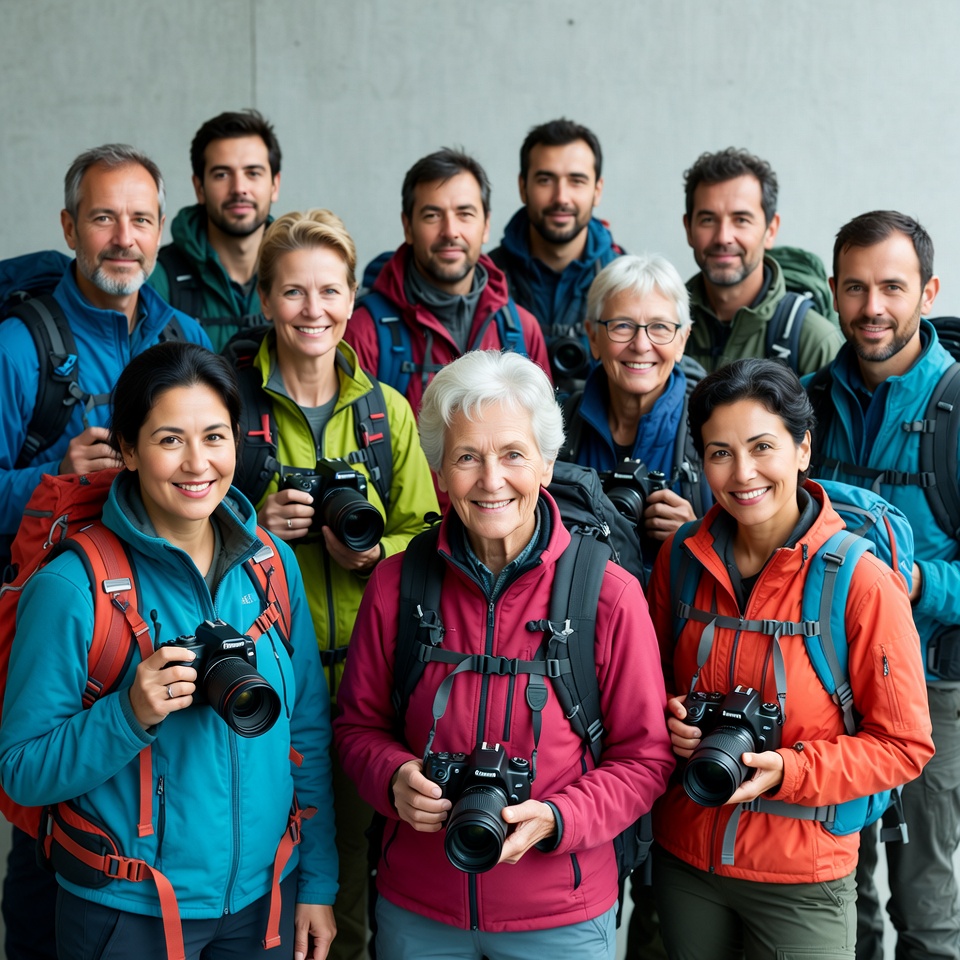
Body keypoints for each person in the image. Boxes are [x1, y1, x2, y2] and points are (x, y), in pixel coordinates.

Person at [0, 341, 337, 960]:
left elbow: (307, 735)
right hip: (126, 916)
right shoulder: (74, 586)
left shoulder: (271, 565)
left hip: (264, 903)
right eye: (169, 440)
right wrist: (128, 713)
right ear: (127, 449)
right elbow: (21, 771)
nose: (197, 464)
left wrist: (316, 881)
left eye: (214, 437)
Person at [334, 349, 674, 960]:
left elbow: (646, 759)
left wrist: (558, 818)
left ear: (546, 463)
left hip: (560, 913)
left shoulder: (609, 593)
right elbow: (357, 728)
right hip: (418, 905)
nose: (491, 480)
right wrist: (391, 778)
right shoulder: (395, 584)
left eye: (513, 454)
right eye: (467, 457)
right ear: (440, 471)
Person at [645, 357, 933, 960]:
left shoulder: (861, 581)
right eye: (719, 452)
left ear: (804, 448)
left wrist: (789, 771)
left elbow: (905, 745)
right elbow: (647, 692)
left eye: (762, 447)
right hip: (686, 861)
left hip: (803, 876)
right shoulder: (680, 559)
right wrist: (668, 717)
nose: (742, 473)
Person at [0, 143, 211, 960]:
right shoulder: (22, 346)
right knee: (49, 838)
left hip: (163, 625)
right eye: (103, 218)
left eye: (141, 219)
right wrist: (50, 477)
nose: (123, 237)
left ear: (162, 232)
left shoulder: (181, 333)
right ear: (68, 227)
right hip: (63, 634)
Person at [233, 208, 438, 960]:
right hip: (260, 685)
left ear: (352, 299)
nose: (311, 311)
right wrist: (256, 520)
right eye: (292, 292)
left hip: (370, 688)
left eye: (328, 291)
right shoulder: (230, 406)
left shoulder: (388, 413)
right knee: (263, 887)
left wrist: (370, 553)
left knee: (350, 890)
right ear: (265, 300)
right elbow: (184, 524)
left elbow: (427, 532)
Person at [804, 211, 960, 960]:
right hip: (824, 686)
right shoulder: (803, 402)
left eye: (892, 287)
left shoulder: (958, 409)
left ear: (927, 290)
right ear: (834, 290)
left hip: (931, 687)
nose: (873, 306)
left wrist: (915, 579)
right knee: (837, 887)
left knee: (928, 899)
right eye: (857, 287)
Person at [344, 148, 550, 418]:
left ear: (486, 225)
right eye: (432, 215)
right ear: (408, 226)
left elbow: (542, 449)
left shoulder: (523, 330)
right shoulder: (364, 333)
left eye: (465, 214)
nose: (450, 231)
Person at [560, 254, 710, 571]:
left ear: (683, 340)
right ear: (593, 337)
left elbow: (760, 554)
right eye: (622, 326)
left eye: (659, 327)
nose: (641, 345)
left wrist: (698, 534)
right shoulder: (557, 426)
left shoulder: (713, 429)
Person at [488, 118, 622, 392]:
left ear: (597, 190)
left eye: (576, 180)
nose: (561, 197)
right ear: (523, 186)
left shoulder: (624, 282)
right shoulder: (487, 279)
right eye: (546, 180)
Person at [682, 147, 843, 375]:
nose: (723, 237)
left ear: (771, 230)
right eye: (708, 220)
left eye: (741, 220)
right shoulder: (661, 328)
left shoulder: (815, 342)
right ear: (688, 229)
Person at [148, 109, 282, 352]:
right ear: (199, 187)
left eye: (253, 173)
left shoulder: (299, 275)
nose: (239, 188)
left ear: (275, 184)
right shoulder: (157, 281)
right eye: (222, 174)